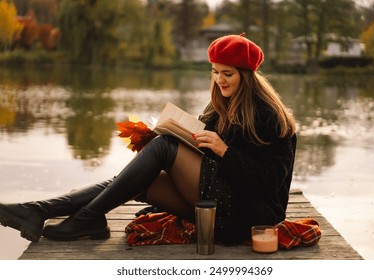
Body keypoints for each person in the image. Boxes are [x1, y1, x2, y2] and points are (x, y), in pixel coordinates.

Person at [0, 33, 296, 244]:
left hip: (249, 218)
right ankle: (40, 210)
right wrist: (162, 136)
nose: (219, 80)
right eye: (216, 72)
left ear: (246, 75)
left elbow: (270, 182)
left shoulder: (269, 115)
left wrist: (225, 151)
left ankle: (86, 217)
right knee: (140, 173)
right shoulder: (220, 105)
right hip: (218, 199)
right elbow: (198, 148)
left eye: (228, 73)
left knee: (165, 148)